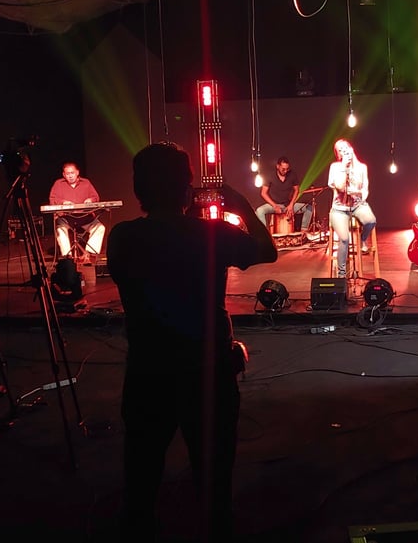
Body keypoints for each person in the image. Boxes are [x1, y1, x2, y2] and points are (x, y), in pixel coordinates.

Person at [106, 142, 277, 542]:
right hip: (207, 368)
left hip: (148, 370)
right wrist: (241, 205)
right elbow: (267, 250)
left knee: (142, 470)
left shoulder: (122, 238)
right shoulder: (211, 234)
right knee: (214, 473)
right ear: (187, 189)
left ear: (138, 190)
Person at [327, 139, 376, 279]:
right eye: (340, 150)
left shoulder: (362, 167)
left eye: (345, 148)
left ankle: (362, 239)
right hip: (339, 208)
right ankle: (341, 274)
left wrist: (359, 193)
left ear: (351, 148)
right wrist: (344, 167)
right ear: (338, 155)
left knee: (371, 221)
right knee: (344, 238)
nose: (344, 151)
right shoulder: (335, 167)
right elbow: (340, 187)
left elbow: (365, 189)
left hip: (357, 204)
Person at [48, 161, 105, 263]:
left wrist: (91, 200)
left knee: (100, 228)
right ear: (63, 175)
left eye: (72, 173)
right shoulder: (58, 184)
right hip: (66, 218)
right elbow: (52, 199)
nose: (70, 176)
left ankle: (89, 254)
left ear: (77, 172)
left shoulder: (86, 183)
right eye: (67, 174)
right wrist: (63, 202)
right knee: (60, 229)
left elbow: (95, 197)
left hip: (85, 218)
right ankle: (67, 257)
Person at [255, 156, 313, 233]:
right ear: (278, 166)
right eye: (283, 169)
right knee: (259, 211)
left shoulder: (292, 174)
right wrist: (274, 205)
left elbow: (296, 190)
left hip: (287, 205)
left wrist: (291, 205)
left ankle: (303, 232)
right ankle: (265, 234)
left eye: (287, 169)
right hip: (274, 205)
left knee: (309, 208)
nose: (285, 171)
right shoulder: (270, 175)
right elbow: (263, 193)